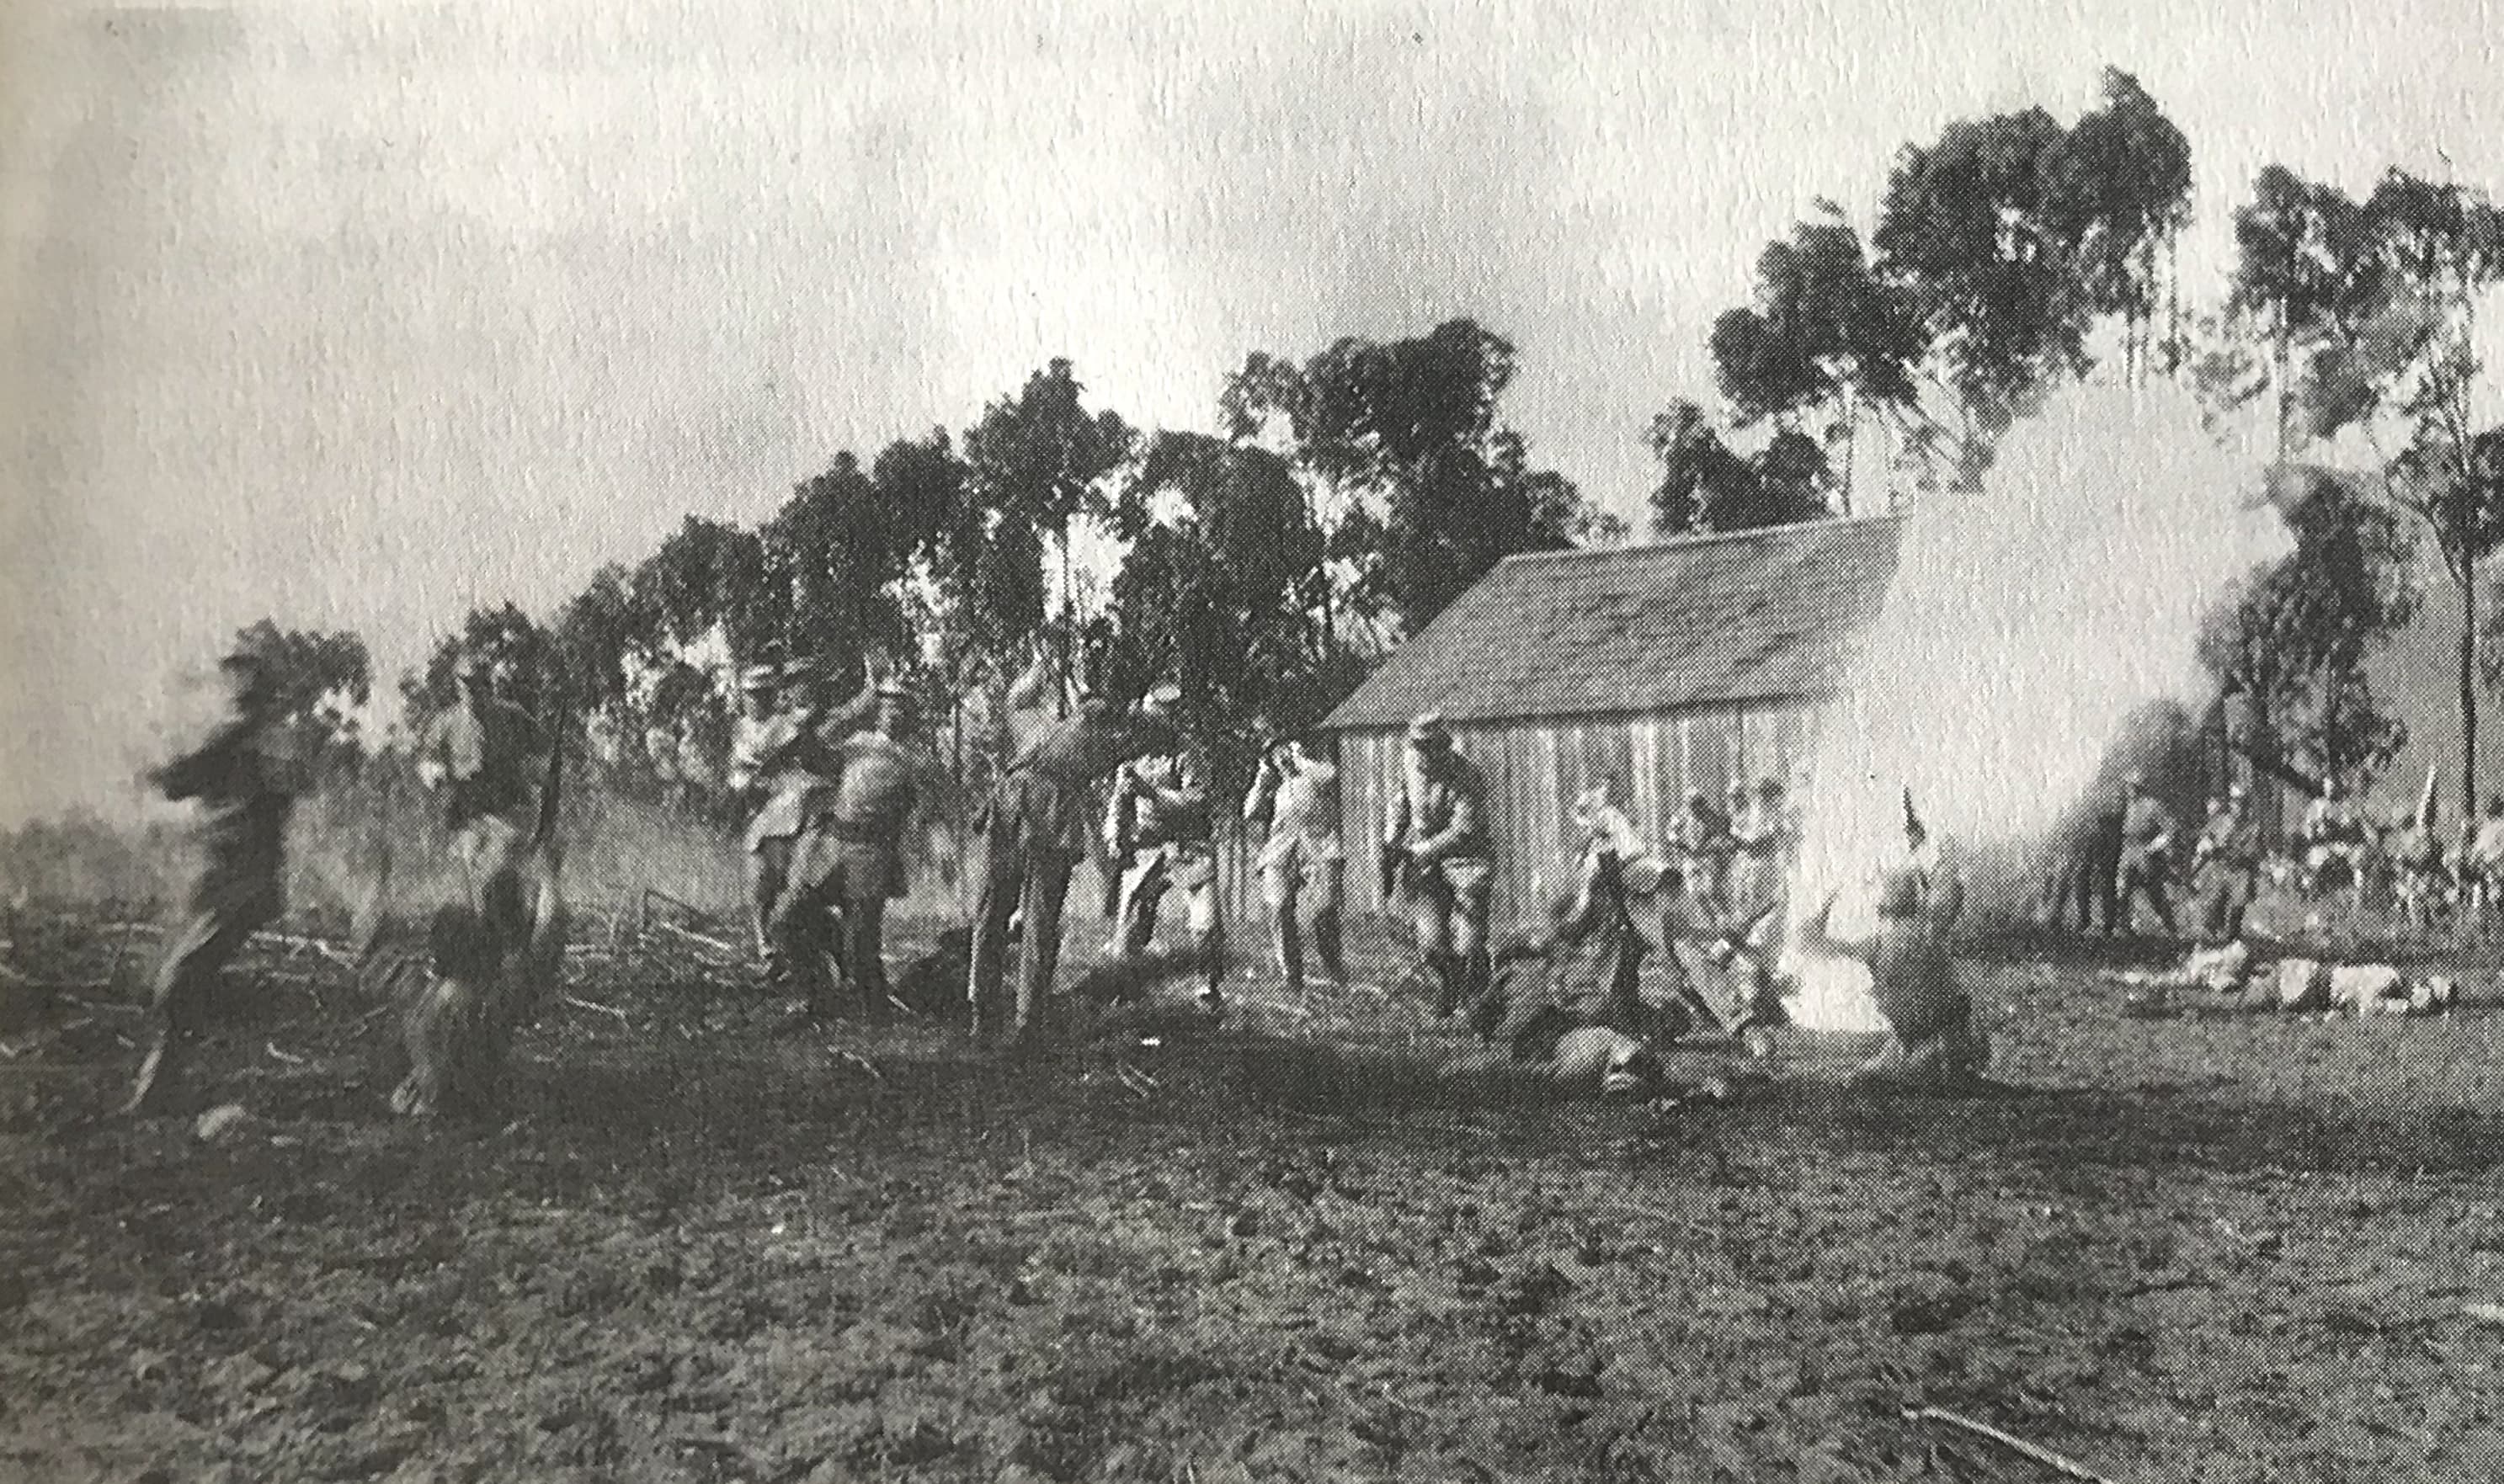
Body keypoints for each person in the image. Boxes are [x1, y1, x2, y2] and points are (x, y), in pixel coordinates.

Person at [122, 640, 318, 1114]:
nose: (233, 682)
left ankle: (162, 1084)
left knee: (179, 977)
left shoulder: (242, 735)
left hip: (237, 879)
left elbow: (179, 781)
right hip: (234, 877)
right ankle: (173, 1071)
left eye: (241, 673)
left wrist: (150, 767)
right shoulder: (267, 737)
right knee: (184, 974)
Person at [964, 651, 1181, 1048]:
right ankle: (991, 1014)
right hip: (1019, 809)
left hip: (1048, 815)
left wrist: (1045, 668)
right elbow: (1021, 698)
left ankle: (1022, 1022)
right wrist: (1042, 663)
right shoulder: (1053, 721)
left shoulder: (1096, 727)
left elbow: (1146, 728)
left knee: (1030, 922)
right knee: (1000, 915)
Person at [775, 678, 922, 1020]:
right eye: (886, 706)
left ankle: (876, 1013)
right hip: (832, 847)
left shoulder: (913, 762)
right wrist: (812, 724)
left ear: (910, 716)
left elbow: (920, 815)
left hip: (871, 854)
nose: (892, 714)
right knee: (785, 919)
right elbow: (814, 758)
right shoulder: (857, 743)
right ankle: (814, 993)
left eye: (901, 708)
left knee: (862, 949)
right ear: (878, 710)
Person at [1797, 866, 1989, 1093]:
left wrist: (1823, 912)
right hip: (1936, 1040)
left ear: (1880, 910)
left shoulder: (1887, 942)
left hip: (1939, 1041)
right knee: (1868, 1077)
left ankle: (1933, 1074)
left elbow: (1809, 943)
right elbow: (1954, 892)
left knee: (1868, 1081)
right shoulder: (1927, 929)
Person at [416, 653, 551, 963]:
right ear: (457, 685)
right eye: (465, 684)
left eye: (478, 684)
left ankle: (515, 947)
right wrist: (433, 774)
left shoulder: (511, 716)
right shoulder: (447, 723)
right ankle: (486, 949)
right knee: (470, 874)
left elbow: (544, 750)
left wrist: (539, 776)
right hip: (469, 814)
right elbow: (425, 759)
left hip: (508, 811)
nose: (472, 691)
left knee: (500, 866)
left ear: (488, 684)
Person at [1106, 685, 1226, 1010]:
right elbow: (1118, 803)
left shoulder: (1188, 754)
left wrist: (1153, 793)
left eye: (1152, 725)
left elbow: (1197, 800)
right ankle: (1126, 989)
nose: (1145, 732)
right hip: (1146, 847)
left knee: (1206, 924)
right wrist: (1115, 836)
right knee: (1129, 924)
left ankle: (1208, 988)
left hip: (1189, 847)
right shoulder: (1132, 758)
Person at [1383, 713, 1498, 1035]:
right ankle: (1450, 985)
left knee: (1467, 943)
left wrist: (1425, 849)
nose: (1421, 754)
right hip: (1425, 864)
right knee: (1432, 944)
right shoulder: (1409, 766)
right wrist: (1392, 836)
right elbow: (1399, 804)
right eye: (1416, 746)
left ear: (1442, 747)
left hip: (1467, 861)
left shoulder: (1467, 776)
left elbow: (1463, 831)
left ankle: (1477, 1005)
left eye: (1427, 747)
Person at [1243, 733, 1347, 1001]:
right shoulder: (1275, 786)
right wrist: (1262, 776)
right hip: (1281, 849)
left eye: (1282, 750)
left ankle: (1335, 970)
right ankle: (1292, 978)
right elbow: (1250, 811)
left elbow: (1330, 776)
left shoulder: (1312, 772)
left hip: (1319, 845)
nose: (1280, 758)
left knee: (1324, 911)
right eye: (1273, 754)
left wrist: (1301, 760)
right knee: (1278, 907)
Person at [2191, 785, 2260, 944]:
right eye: (2236, 802)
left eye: (2242, 803)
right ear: (2231, 804)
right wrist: (2204, 847)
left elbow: (2251, 853)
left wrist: (2223, 848)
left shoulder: (2252, 827)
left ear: (2246, 805)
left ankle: (2232, 938)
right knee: (2213, 906)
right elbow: (2204, 841)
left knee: (2238, 904)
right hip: (2219, 869)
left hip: (2240, 870)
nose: (2238, 807)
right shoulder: (2220, 821)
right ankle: (2214, 938)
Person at [2115, 773, 2178, 936]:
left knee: (2154, 892)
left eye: (2134, 786)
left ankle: (2172, 928)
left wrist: (2154, 847)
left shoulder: (2152, 806)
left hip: (2145, 852)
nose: (2130, 790)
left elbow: (2170, 829)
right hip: (2128, 850)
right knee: (2122, 889)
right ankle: (2125, 927)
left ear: (2141, 787)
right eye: (2128, 786)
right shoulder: (2127, 806)